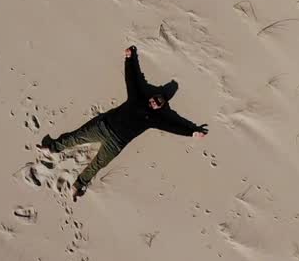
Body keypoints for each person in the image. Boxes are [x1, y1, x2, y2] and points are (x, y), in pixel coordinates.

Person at [40, 45, 208, 201]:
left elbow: (172, 126)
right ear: (152, 96)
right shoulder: (137, 97)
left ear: (162, 106)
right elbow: (131, 79)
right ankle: (51, 148)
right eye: (156, 98)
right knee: (76, 138)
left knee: (98, 164)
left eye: (159, 102)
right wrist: (129, 58)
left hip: (116, 143)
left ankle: (77, 186)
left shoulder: (156, 119)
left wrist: (192, 132)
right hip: (103, 127)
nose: (156, 102)